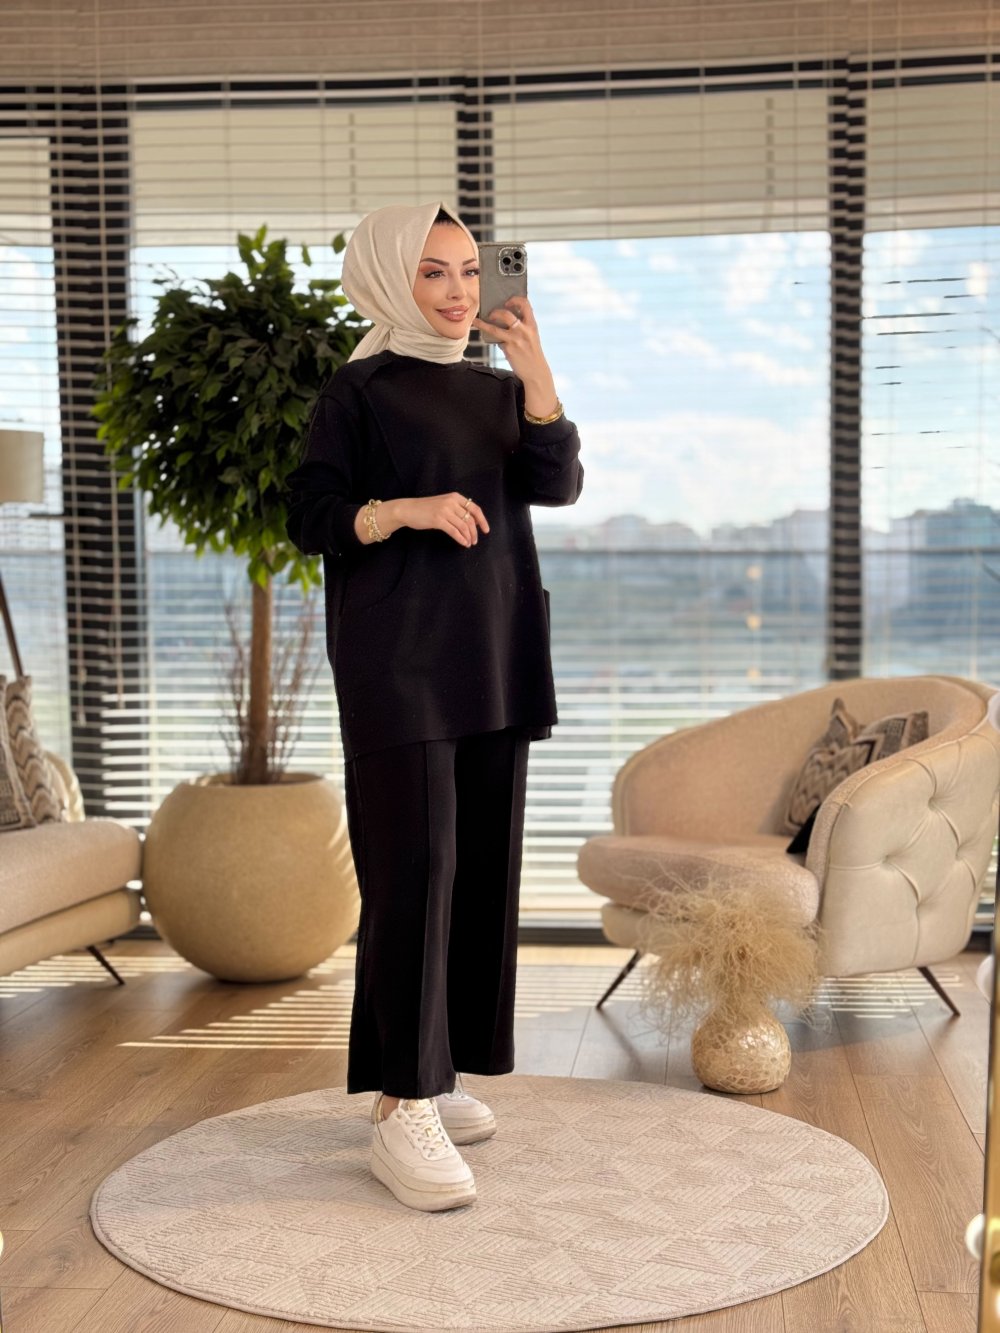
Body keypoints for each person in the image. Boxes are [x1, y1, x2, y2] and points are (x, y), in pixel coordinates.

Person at [283, 199, 584, 1212]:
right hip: (397, 660)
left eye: (468, 271)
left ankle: (438, 1069)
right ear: (386, 278)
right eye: (433, 272)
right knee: (413, 871)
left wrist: (536, 372)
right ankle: (399, 1104)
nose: (459, 292)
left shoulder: (498, 390)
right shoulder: (358, 390)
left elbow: (558, 483)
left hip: (493, 652)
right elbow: (309, 515)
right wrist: (402, 510)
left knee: (479, 870)